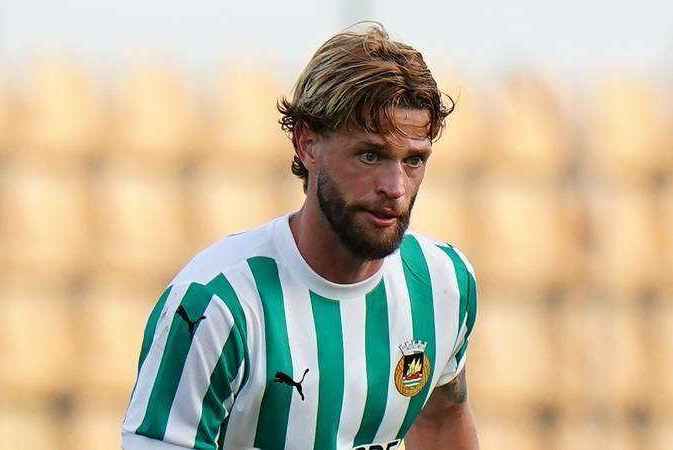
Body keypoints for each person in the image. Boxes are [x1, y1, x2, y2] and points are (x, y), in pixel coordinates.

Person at [121, 22, 479, 450]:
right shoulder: (216, 304)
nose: (395, 187)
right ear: (307, 143)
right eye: (370, 155)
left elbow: (442, 417)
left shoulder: (444, 284)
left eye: (414, 160)